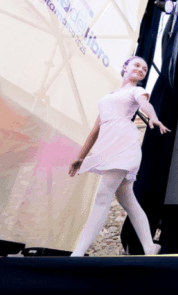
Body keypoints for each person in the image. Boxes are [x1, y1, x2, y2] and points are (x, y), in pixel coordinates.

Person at [68, 57, 169, 256]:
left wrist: (154, 118)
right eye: (137, 65)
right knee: (128, 200)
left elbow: (145, 105)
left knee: (102, 196)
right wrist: (81, 156)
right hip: (109, 145)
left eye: (145, 68)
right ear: (124, 67)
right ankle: (149, 246)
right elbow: (95, 130)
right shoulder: (109, 97)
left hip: (123, 146)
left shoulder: (136, 91)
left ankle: (78, 253)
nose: (141, 70)